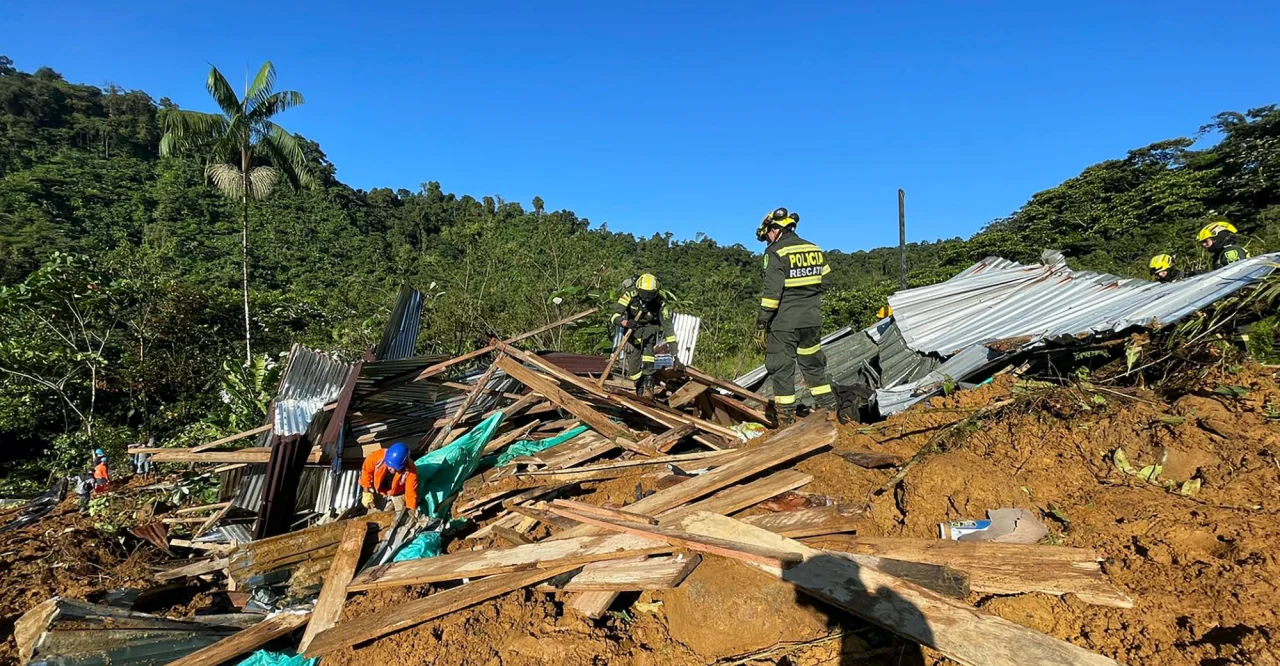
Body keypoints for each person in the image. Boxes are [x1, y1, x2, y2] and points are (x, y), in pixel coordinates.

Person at [755, 207, 837, 425]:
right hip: (812, 320)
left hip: (784, 323)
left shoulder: (775, 252)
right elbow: (827, 281)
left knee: (781, 368)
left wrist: (761, 323)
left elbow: (772, 295)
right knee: (813, 366)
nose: (767, 241)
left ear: (774, 229)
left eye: (767, 236)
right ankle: (829, 412)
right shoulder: (814, 248)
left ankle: (786, 422)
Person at [611, 273, 682, 398]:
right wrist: (626, 322)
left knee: (648, 338)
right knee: (633, 369)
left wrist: (675, 354)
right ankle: (639, 384)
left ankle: (648, 378)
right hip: (632, 331)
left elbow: (669, 329)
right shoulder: (629, 295)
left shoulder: (660, 303)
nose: (647, 297)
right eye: (644, 294)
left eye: (650, 294)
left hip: (650, 329)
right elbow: (614, 316)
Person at [360, 441, 419, 512]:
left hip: (398, 492)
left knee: (401, 514)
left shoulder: (410, 469)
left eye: (395, 468)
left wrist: (411, 510)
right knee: (374, 515)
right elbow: (366, 471)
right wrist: (366, 492)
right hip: (378, 490)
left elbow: (411, 492)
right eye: (390, 466)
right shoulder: (377, 457)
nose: (392, 470)